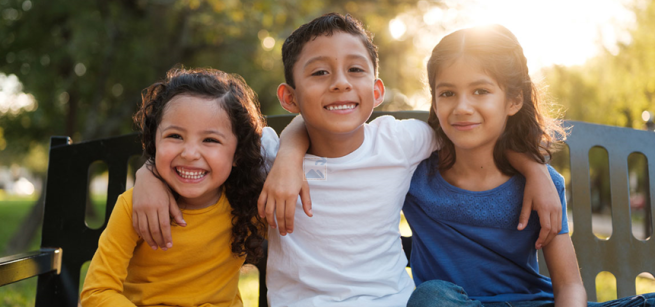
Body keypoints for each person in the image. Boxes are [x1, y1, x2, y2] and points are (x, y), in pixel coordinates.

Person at [130, 14, 564, 307]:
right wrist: (148, 173)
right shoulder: (265, 152)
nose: (339, 84)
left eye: (355, 70)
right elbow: (198, 153)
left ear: (376, 93)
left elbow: (472, 133)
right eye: (320, 73)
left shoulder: (402, 140)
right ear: (290, 97)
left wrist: (535, 170)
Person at [403, 24, 655, 307]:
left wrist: (535, 170)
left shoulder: (542, 185)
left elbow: (569, 286)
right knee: (431, 297)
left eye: (480, 91)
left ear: (513, 100)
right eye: (447, 93)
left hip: (535, 303)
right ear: (434, 103)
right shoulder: (411, 174)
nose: (462, 106)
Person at [80, 68, 271, 306]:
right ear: (154, 141)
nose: (189, 153)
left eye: (210, 140)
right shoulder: (133, 207)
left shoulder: (251, 205)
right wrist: (149, 172)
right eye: (175, 136)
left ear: (238, 153)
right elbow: (96, 293)